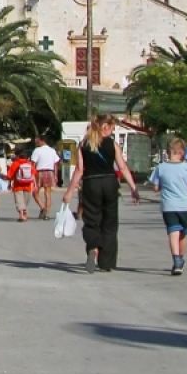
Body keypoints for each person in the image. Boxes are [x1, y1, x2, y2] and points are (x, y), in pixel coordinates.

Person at [61, 113, 141, 272]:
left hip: (91, 183)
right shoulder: (112, 144)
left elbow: (79, 170)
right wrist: (133, 187)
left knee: (92, 219)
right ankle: (106, 262)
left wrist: (69, 192)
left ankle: (93, 247)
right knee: (110, 223)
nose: (112, 131)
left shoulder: (84, 144)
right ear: (106, 127)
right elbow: (122, 167)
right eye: (112, 128)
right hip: (110, 182)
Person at [148, 137, 187, 275]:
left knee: (173, 232)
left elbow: (155, 187)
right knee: (183, 233)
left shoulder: (160, 168)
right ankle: (181, 259)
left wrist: (163, 186)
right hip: (185, 206)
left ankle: (176, 261)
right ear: (182, 152)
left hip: (168, 205)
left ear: (168, 151)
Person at [30, 135, 61, 220]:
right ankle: (46, 212)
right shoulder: (52, 150)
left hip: (39, 172)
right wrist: (55, 175)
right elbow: (56, 163)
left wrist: (31, 175)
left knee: (35, 192)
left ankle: (43, 207)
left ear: (42, 140)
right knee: (47, 193)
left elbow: (33, 164)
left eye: (37, 140)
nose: (36, 142)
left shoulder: (37, 150)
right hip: (50, 172)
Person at [6, 145, 37, 222]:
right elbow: (33, 174)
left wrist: (9, 183)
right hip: (28, 185)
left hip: (18, 185)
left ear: (17, 155)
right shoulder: (29, 163)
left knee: (19, 200)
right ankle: (24, 211)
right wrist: (35, 184)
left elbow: (10, 175)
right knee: (25, 200)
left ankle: (21, 215)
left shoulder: (15, 163)